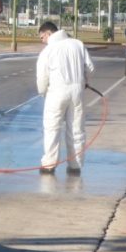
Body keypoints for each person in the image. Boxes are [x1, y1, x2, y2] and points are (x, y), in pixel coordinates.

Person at [36, 21, 94, 175]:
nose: (42, 41)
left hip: (56, 92)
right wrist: (84, 82)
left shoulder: (48, 51)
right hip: (77, 91)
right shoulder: (78, 44)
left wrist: (43, 92)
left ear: (49, 34)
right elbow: (90, 67)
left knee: (52, 128)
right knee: (76, 129)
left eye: (42, 37)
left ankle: (49, 164)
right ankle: (75, 164)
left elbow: (42, 77)